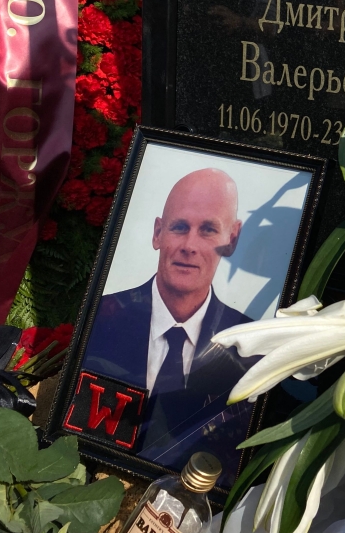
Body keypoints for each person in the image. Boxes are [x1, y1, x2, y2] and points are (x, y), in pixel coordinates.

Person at [83, 168, 256, 483]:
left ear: (231, 239)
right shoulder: (100, 318)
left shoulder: (253, 345)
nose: (189, 245)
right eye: (179, 227)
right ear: (157, 233)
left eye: (207, 230)